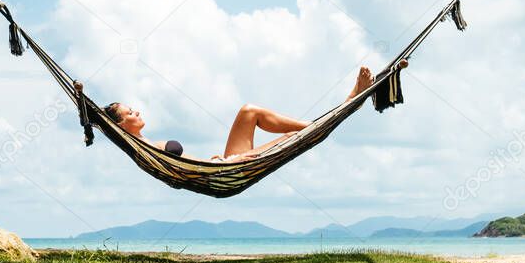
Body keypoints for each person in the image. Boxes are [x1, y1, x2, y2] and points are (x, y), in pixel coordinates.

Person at [103, 64, 387, 162]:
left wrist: (208, 161)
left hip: (220, 165)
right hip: (220, 172)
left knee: (249, 112)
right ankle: (346, 104)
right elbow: (100, 121)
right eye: (129, 112)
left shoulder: (145, 144)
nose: (136, 111)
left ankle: (334, 112)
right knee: (290, 134)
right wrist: (82, 98)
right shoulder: (139, 147)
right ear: (121, 125)